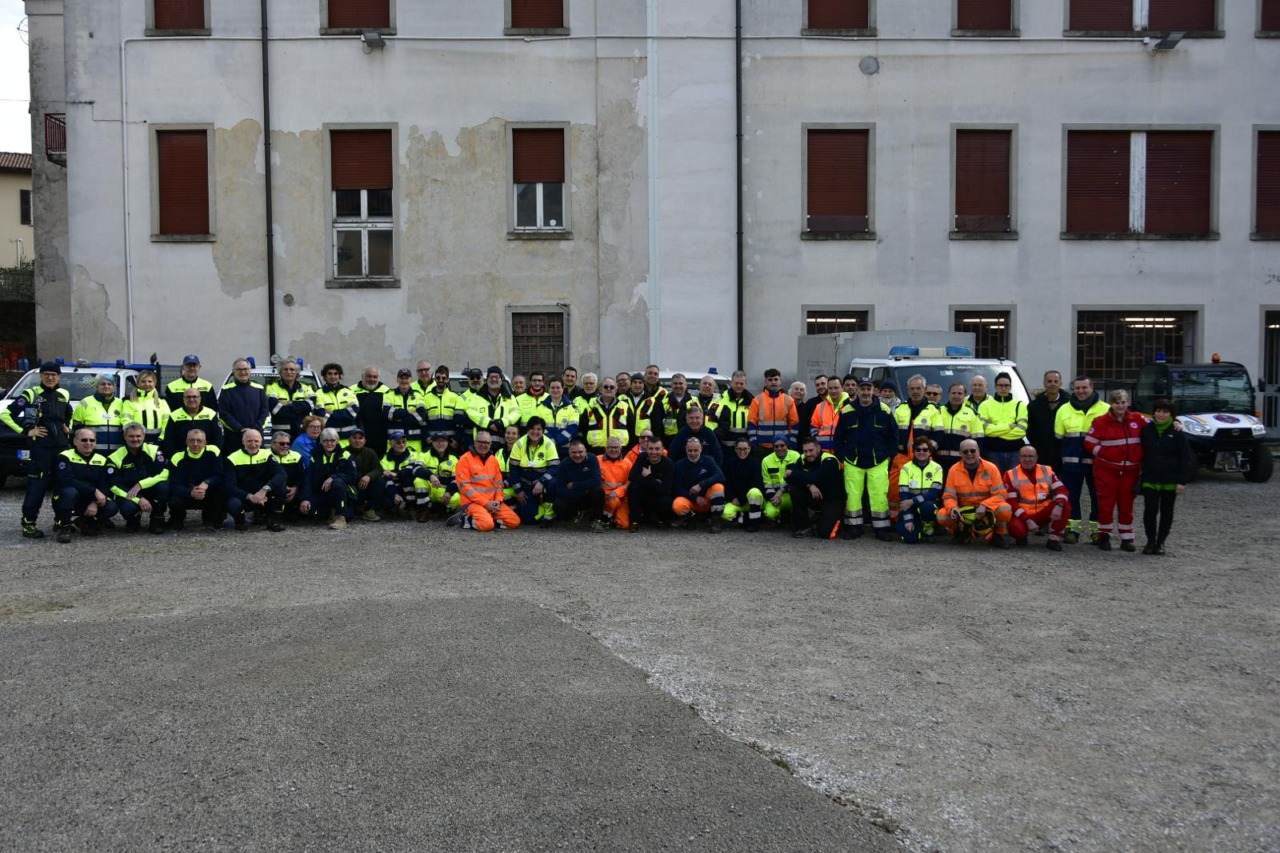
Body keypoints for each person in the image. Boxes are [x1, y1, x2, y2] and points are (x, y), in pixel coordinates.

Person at [833, 376, 898, 541]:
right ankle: (854, 527)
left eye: (868, 388)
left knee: (879, 495)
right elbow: (838, 437)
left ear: (873, 390)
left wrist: (889, 456)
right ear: (857, 390)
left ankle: (881, 529)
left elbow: (894, 436)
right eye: (862, 388)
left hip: (878, 460)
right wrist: (843, 457)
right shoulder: (847, 410)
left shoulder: (884, 410)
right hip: (853, 461)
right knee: (853, 495)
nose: (865, 392)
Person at [1084, 389, 1146, 552]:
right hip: (1106, 469)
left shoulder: (1138, 419)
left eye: (1123, 402)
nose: (1120, 406)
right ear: (1111, 404)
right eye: (1117, 402)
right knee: (1106, 504)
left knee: (1127, 505)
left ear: (1128, 403)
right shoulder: (1100, 421)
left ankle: (1127, 538)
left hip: (1130, 470)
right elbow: (1089, 443)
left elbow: (1157, 427)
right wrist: (1105, 453)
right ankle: (1104, 536)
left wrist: (1176, 422)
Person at [1054, 376, 1109, 544]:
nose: (1081, 391)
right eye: (1077, 388)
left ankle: (1097, 532)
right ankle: (1072, 530)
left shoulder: (1106, 409)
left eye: (1084, 387)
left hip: (1098, 464)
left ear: (1092, 387)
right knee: (1071, 497)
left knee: (1098, 498)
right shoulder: (1063, 409)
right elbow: (1058, 437)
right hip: (1071, 463)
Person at [1139, 398, 1194, 555]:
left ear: (1171, 414)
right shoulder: (1147, 430)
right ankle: (1150, 541)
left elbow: (1185, 458)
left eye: (1165, 411)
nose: (1161, 414)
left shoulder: (1177, 433)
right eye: (1158, 411)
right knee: (1150, 510)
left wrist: (1182, 481)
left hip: (1170, 479)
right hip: (1150, 477)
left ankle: (1161, 542)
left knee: (1166, 511)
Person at [936, 438, 1012, 548]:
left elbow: (1001, 494)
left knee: (1005, 510)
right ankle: (961, 532)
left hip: (986, 510)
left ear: (978, 451)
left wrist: (985, 505)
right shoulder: (954, 470)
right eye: (965, 451)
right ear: (960, 453)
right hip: (964, 511)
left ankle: (997, 535)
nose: (969, 454)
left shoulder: (991, 468)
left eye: (972, 451)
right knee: (942, 516)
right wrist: (953, 508)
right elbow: (949, 496)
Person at [50, 427, 119, 542]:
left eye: (92, 440)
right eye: (84, 440)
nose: (88, 443)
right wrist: (94, 492)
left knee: (112, 506)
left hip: (90, 499)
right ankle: (64, 526)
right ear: (75, 442)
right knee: (69, 492)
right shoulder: (65, 456)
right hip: (70, 498)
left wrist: (94, 502)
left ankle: (86, 521)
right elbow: (67, 480)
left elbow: (104, 484)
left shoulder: (102, 459)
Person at [888, 374, 940, 521]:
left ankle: (924, 519)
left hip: (924, 458)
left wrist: (927, 452)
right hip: (901, 457)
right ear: (907, 390)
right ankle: (895, 518)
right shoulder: (900, 409)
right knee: (894, 489)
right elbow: (892, 432)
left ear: (924, 389)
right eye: (912, 389)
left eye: (918, 388)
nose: (915, 391)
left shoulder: (933, 410)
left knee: (924, 489)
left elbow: (939, 434)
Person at [1003, 445, 1070, 551]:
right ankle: (1022, 536)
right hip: (1023, 514)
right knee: (1016, 529)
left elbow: (1062, 490)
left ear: (1036, 458)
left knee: (1065, 506)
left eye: (1031, 456)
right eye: (1024, 456)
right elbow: (1012, 503)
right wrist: (1027, 520)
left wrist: (1059, 505)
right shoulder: (1010, 474)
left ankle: (1054, 539)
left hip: (1044, 511)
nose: (1027, 459)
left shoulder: (1047, 470)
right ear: (1019, 458)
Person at [453, 430, 520, 532]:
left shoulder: (493, 460)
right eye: (481, 442)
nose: (483, 445)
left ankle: (486, 518)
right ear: (475, 442)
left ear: (490, 444)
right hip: (472, 503)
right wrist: (486, 504)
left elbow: (499, 484)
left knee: (514, 522)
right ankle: (462, 518)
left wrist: (498, 501)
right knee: (486, 525)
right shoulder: (465, 459)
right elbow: (465, 488)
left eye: (486, 443)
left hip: (492, 503)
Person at [109, 422, 170, 534]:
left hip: (151, 490)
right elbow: (114, 485)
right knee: (127, 508)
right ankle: (133, 520)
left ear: (144, 436)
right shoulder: (115, 456)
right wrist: (139, 499)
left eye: (138, 436)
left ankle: (156, 520)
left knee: (163, 487)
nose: (135, 439)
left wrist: (141, 484)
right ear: (124, 437)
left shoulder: (154, 451)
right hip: (130, 494)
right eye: (131, 436)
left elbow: (164, 473)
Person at [224, 428, 286, 532]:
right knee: (233, 503)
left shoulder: (267, 455)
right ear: (243, 442)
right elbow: (229, 486)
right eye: (249, 441)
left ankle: (272, 520)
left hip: (263, 496)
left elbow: (281, 474)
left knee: (281, 486)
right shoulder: (232, 458)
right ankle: (240, 521)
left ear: (261, 442)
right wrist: (250, 496)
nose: (253, 444)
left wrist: (264, 490)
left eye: (256, 441)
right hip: (244, 496)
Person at [166, 428, 226, 532]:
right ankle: (178, 519)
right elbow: (174, 484)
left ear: (205, 442)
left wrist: (207, 483)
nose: (195, 444)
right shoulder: (177, 457)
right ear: (186, 442)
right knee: (173, 498)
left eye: (199, 441)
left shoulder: (213, 452)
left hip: (206, 492)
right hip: (187, 493)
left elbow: (220, 475)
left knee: (221, 489)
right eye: (191, 440)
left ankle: (210, 519)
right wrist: (190, 493)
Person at [786, 436, 843, 540]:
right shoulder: (802, 458)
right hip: (815, 496)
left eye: (811, 450)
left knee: (826, 533)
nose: (808, 454)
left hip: (832, 499)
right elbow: (788, 479)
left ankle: (834, 518)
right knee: (795, 489)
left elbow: (814, 477)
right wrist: (809, 485)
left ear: (818, 448)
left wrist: (794, 473)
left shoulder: (829, 460)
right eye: (805, 451)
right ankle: (804, 526)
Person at [300, 427, 355, 530]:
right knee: (308, 511)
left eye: (332, 440)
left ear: (337, 441)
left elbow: (352, 477)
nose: (329, 443)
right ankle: (329, 513)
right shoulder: (315, 456)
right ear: (321, 442)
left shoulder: (345, 455)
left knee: (337, 482)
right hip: (322, 492)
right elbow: (309, 478)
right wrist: (305, 499)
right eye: (326, 440)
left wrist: (333, 477)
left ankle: (340, 517)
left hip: (341, 493)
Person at [509, 416, 560, 526]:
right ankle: (539, 505)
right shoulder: (519, 444)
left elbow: (554, 467)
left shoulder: (549, 444)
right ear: (527, 430)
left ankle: (549, 512)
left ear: (543, 431)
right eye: (532, 428)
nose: (535, 432)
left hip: (542, 484)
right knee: (528, 520)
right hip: (526, 485)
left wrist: (542, 482)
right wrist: (518, 491)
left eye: (539, 429)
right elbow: (513, 470)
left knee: (553, 484)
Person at [547, 437, 606, 530]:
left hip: (587, 495)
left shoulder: (592, 459)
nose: (577, 455)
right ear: (569, 453)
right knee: (558, 505)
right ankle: (572, 518)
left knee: (598, 491)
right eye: (574, 452)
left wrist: (574, 485)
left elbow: (596, 481)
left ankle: (597, 520)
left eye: (580, 452)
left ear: (585, 451)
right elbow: (560, 488)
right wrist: (579, 492)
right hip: (572, 497)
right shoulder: (563, 464)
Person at [671, 437, 727, 532]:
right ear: (686, 450)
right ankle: (692, 518)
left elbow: (720, 476)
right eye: (690, 450)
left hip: (707, 500)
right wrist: (695, 498)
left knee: (718, 487)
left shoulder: (708, 460)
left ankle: (716, 521)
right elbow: (677, 488)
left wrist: (701, 484)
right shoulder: (679, 465)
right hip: (691, 500)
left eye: (696, 450)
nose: (693, 453)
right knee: (677, 505)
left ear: (701, 449)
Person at [896, 437, 943, 544]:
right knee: (910, 539)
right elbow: (904, 497)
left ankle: (928, 528)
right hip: (910, 507)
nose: (921, 452)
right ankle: (915, 525)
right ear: (914, 451)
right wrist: (908, 520)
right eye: (918, 449)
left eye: (925, 450)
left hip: (927, 505)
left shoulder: (937, 468)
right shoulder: (906, 468)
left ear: (930, 452)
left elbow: (934, 493)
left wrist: (913, 501)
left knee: (928, 506)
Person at [218, 358, 270, 455]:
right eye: (239, 369)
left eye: (245, 369)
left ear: (250, 370)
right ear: (234, 371)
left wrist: (254, 429)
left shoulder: (259, 389)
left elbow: (265, 411)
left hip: (256, 437)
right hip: (234, 438)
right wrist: (241, 429)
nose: (243, 372)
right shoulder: (226, 390)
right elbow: (224, 414)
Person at [978, 372, 1027, 473]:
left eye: (1006, 385)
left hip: (1015, 452)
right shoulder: (985, 405)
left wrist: (995, 429)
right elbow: (985, 430)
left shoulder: (1020, 405)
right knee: (995, 483)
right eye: (1000, 385)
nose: (1003, 388)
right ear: (995, 387)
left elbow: (1021, 431)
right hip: (992, 452)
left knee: (1014, 482)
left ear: (1010, 387)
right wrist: (1009, 426)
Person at [71, 374, 127, 454]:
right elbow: (75, 430)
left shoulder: (122, 403)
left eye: (109, 384)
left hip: (117, 454)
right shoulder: (85, 403)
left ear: (114, 387)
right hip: (92, 453)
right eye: (102, 384)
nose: (106, 386)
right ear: (96, 387)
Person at [935, 382, 984, 474]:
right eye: (953, 393)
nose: (956, 396)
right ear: (949, 394)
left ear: (964, 396)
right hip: (938, 462)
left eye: (960, 393)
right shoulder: (938, 412)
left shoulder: (972, 414)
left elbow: (979, 440)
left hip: (962, 462)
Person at [578, 375, 635, 454]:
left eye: (611, 387)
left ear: (615, 390)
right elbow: (582, 428)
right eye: (605, 387)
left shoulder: (624, 407)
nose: (608, 389)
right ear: (600, 389)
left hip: (620, 451)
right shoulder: (590, 407)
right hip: (595, 451)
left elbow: (632, 429)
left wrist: (627, 449)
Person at [628, 435, 675, 529]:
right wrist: (655, 482)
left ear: (663, 450)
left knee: (666, 500)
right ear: (647, 449)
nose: (654, 452)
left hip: (658, 496)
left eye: (657, 449)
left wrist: (649, 477)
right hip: (645, 493)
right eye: (651, 449)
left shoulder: (668, 464)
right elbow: (632, 477)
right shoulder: (642, 457)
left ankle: (660, 519)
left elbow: (665, 489)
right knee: (633, 487)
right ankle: (634, 521)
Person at [162, 387, 223, 459]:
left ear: (200, 399)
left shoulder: (211, 414)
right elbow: (169, 441)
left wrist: (210, 455)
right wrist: (175, 457)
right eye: (188, 397)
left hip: (207, 458)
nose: (191, 399)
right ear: (183, 399)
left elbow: (218, 439)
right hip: (182, 458)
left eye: (194, 397)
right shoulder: (174, 415)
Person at [466, 366, 520, 446]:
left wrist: (501, 423)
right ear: (486, 380)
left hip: (504, 443)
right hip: (482, 444)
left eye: (496, 377)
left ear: (501, 380)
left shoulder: (510, 397)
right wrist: (488, 423)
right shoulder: (477, 397)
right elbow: (470, 412)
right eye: (491, 377)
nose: (494, 379)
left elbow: (516, 413)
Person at [748, 368, 799, 452]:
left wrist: (791, 442)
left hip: (782, 445)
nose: (773, 382)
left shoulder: (788, 400)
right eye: (770, 380)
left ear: (780, 381)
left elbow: (795, 424)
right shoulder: (757, 400)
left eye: (776, 379)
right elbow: (751, 424)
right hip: (762, 446)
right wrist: (754, 443)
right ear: (766, 381)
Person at [376, 429, 423, 519]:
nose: (402, 445)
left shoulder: (414, 455)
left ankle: (411, 507)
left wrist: (396, 474)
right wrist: (394, 494)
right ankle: (393, 507)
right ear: (391, 444)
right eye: (398, 443)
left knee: (408, 477)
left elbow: (414, 471)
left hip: (410, 487)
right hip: (393, 487)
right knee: (386, 498)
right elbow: (384, 477)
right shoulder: (384, 459)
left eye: (404, 442)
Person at [264, 359, 314, 441]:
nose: (288, 372)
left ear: (296, 372)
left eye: (292, 369)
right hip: (280, 434)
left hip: (302, 432)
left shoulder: (306, 387)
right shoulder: (272, 387)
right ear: (280, 372)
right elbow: (275, 409)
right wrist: (300, 410)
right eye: (285, 369)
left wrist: (289, 403)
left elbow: (311, 405)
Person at [414, 431, 460, 520]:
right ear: (432, 442)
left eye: (443, 441)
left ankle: (442, 509)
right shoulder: (424, 454)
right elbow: (416, 469)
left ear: (448, 443)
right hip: (429, 489)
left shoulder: (454, 458)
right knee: (419, 480)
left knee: (456, 499)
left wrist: (449, 492)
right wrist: (430, 475)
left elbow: (457, 479)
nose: (440, 443)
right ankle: (423, 510)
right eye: (436, 441)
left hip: (443, 490)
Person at [1026, 370, 1066, 472]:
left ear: (1060, 384)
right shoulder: (1034, 406)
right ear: (1044, 383)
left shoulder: (1068, 404)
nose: (1052, 384)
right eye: (1049, 381)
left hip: (1062, 454)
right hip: (1041, 454)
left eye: (1055, 381)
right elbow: (1029, 429)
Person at [721, 438, 764, 531]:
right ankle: (744, 519)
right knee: (725, 513)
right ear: (735, 449)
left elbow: (757, 483)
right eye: (739, 449)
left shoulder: (755, 462)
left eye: (745, 449)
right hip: (735, 501)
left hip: (750, 500)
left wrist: (741, 499)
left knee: (755, 491)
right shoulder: (729, 463)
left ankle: (754, 524)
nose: (742, 451)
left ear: (749, 449)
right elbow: (727, 483)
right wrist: (732, 497)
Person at [420, 365, 467, 450]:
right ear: (435, 379)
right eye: (438, 378)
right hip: (432, 443)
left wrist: (457, 440)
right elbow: (422, 421)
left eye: (443, 378)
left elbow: (460, 424)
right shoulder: (426, 398)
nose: (441, 380)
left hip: (450, 444)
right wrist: (426, 437)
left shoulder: (456, 398)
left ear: (448, 379)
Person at [122, 369, 171, 445]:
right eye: (143, 381)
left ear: (154, 383)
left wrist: (161, 439)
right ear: (138, 383)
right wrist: (136, 438)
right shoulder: (129, 401)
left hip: (158, 443)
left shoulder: (162, 402)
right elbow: (126, 422)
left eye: (150, 381)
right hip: (136, 442)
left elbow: (167, 424)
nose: (147, 384)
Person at [314, 363, 360, 445]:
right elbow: (321, 415)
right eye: (330, 374)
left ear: (339, 376)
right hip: (329, 440)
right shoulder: (318, 393)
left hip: (349, 439)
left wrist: (332, 413)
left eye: (336, 374)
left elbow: (353, 413)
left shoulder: (348, 391)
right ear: (325, 376)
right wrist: (344, 414)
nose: (333, 376)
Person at [384, 367, 429, 451]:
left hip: (414, 443)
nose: (404, 381)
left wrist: (397, 416)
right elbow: (387, 414)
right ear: (397, 379)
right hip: (394, 442)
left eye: (407, 378)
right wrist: (409, 412)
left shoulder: (418, 395)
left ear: (411, 380)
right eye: (402, 378)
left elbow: (420, 418)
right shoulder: (389, 394)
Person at [761, 435, 801, 526]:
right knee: (770, 513)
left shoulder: (796, 456)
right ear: (773, 447)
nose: (779, 448)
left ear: (787, 445)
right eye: (776, 446)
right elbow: (767, 483)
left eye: (782, 445)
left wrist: (780, 492)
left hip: (792, 494)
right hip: (776, 495)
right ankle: (778, 516)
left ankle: (793, 517)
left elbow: (796, 479)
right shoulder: (766, 460)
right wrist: (773, 498)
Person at [345, 427, 384, 521]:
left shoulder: (370, 452)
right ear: (349, 439)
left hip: (365, 486)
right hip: (351, 487)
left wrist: (368, 476)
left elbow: (378, 469)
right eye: (354, 438)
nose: (357, 441)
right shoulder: (344, 452)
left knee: (380, 482)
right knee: (348, 515)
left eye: (360, 438)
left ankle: (369, 510)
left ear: (364, 440)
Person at [598, 435, 635, 530]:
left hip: (621, 496)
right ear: (605, 448)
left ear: (620, 448)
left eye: (616, 447)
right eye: (610, 447)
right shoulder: (597, 460)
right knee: (612, 501)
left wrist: (617, 491)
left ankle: (612, 518)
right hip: (604, 496)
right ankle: (605, 519)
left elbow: (629, 482)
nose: (613, 450)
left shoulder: (627, 463)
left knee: (624, 524)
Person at [711, 370, 752, 455]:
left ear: (746, 384)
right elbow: (712, 420)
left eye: (741, 383)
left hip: (745, 447)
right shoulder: (721, 399)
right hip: (725, 445)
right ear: (731, 383)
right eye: (736, 383)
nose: (739, 386)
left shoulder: (752, 401)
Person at [352, 366, 391, 456]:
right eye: (369, 376)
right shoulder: (352, 391)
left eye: (375, 377)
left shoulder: (386, 391)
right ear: (363, 376)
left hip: (381, 438)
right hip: (360, 436)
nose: (372, 379)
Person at [268, 430, 306, 518]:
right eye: (282, 444)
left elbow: (302, 476)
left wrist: (295, 488)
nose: (285, 446)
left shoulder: (296, 456)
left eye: (288, 444)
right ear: (273, 444)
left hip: (292, 490)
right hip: (272, 489)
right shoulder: (265, 455)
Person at [537, 378, 580, 453]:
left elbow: (573, 428)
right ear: (548, 389)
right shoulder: (540, 407)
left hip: (566, 449)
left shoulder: (572, 407)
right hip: (545, 447)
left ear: (563, 388)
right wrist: (550, 440)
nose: (555, 390)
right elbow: (539, 427)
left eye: (558, 387)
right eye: (552, 388)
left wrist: (557, 441)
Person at [660, 373, 696, 446]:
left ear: (686, 386)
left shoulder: (695, 402)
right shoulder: (663, 401)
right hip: (668, 443)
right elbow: (658, 425)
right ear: (671, 385)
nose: (678, 386)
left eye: (681, 383)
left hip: (689, 443)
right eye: (675, 383)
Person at [796, 374, 827, 445]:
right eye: (817, 385)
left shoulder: (836, 403)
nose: (820, 387)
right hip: (814, 444)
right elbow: (804, 426)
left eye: (823, 384)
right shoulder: (810, 403)